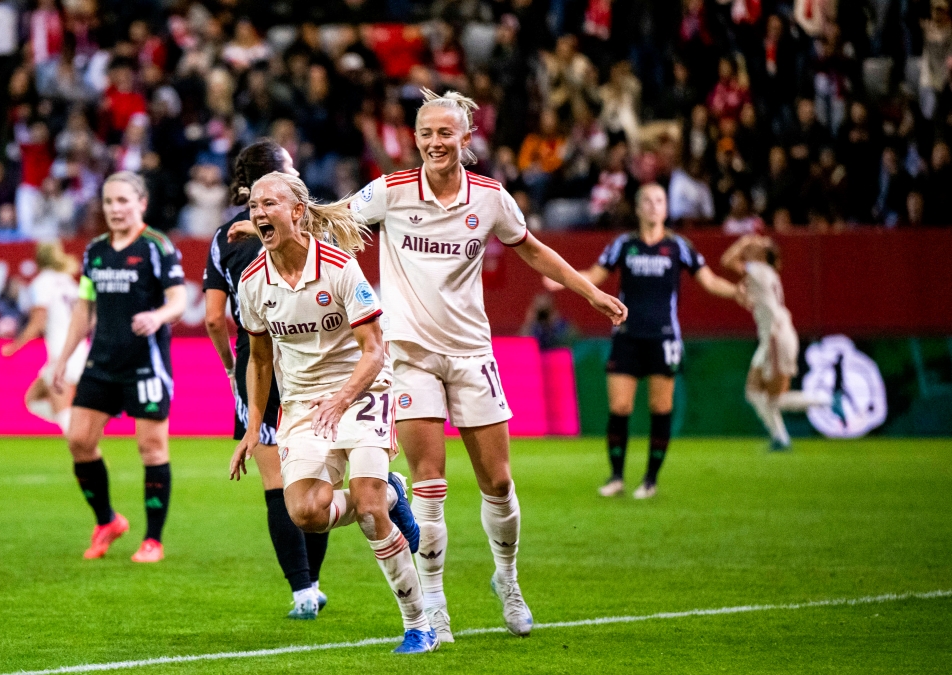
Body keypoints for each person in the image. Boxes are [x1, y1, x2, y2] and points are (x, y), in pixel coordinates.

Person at [350, 89, 626, 642]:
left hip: (472, 354)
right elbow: (333, 224)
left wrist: (587, 291)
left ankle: (507, 579)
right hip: (410, 356)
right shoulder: (389, 192)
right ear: (417, 138)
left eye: (444, 133)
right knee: (429, 484)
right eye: (426, 133)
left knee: (497, 483)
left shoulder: (492, 198)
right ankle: (434, 606)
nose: (434, 142)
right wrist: (270, 224)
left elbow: (533, 249)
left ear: (464, 138)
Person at [230, 171, 436, 654]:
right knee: (305, 512)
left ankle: (418, 624)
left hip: (360, 392)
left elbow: (373, 350)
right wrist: (252, 425)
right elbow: (259, 359)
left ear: (297, 211)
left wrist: (342, 399)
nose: (259, 213)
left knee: (366, 508)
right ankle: (391, 491)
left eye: (270, 203)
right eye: (254, 205)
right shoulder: (252, 282)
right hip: (302, 403)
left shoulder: (340, 267)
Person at [203, 140, 332, 619]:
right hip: (311, 361)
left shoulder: (224, 239)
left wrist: (227, 365)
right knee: (315, 474)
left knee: (277, 482)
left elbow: (216, 318)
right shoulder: (312, 230)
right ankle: (314, 581)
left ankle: (301, 593)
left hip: (254, 365)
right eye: (290, 167)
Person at [547, 184, 740, 500]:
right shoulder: (624, 244)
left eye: (659, 201)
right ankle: (617, 477)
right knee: (619, 407)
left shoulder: (679, 246)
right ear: (637, 209)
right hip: (626, 336)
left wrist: (736, 292)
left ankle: (650, 480)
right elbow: (596, 274)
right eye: (647, 201)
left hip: (664, 338)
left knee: (660, 407)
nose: (653, 206)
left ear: (666, 208)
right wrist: (565, 280)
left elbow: (709, 280)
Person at [52, 171, 187, 563]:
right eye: (109, 201)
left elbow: (178, 299)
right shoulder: (95, 251)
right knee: (78, 440)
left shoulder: (157, 247)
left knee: (151, 447)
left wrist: (159, 316)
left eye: (123, 201)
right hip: (101, 363)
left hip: (146, 364)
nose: (115, 208)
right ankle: (107, 520)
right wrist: (63, 359)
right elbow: (84, 308)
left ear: (141, 203)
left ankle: (153, 540)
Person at [720, 235, 830, 450]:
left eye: (760, 244)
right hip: (771, 336)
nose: (755, 244)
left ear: (763, 255)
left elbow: (726, 261)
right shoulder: (764, 273)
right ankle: (781, 438)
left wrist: (744, 242)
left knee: (775, 398)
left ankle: (824, 399)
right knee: (753, 392)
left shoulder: (758, 269)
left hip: (776, 336)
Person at [2, 241, 90, 434]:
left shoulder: (41, 283)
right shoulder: (69, 282)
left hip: (61, 351)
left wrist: (15, 346)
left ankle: (81, 442)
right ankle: (80, 428)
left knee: (59, 408)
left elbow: (38, 322)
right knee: (33, 400)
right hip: (80, 348)